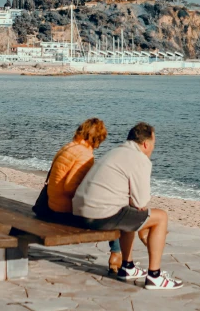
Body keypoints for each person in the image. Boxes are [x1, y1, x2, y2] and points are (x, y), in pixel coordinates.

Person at [73, 122, 183, 290]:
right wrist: (144, 230)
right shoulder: (140, 159)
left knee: (127, 213)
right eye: (153, 144)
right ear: (146, 144)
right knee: (161, 217)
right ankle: (154, 276)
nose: (153, 148)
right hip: (98, 216)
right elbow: (140, 203)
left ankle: (128, 266)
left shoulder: (115, 152)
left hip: (80, 212)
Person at [32, 117, 122, 273]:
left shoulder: (68, 147)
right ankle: (117, 253)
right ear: (98, 138)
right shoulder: (85, 155)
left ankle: (117, 253)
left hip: (50, 204)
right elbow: (70, 188)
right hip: (62, 211)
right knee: (112, 216)